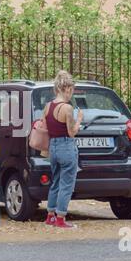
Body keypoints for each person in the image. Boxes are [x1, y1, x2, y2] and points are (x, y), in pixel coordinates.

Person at [43, 71, 83, 229]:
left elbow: (44, 126)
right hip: (66, 146)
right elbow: (72, 131)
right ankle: (61, 218)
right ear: (66, 88)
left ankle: (50, 216)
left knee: (56, 181)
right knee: (67, 183)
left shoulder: (48, 106)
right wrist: (79, 119)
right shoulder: (67, 108)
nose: (71, 92)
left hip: (53, 147)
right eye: (71, 89)